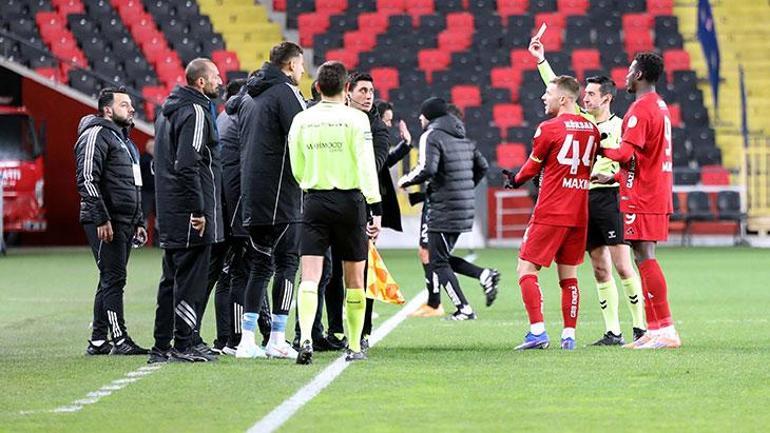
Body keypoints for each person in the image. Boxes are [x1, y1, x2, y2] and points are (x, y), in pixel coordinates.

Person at [528, 38, 646, 345]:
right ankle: (613, 332)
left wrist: (613, 178)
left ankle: (641, 327)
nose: (586, 99)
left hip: (609, 199)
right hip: (581, 199)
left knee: (622, 264)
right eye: (585, 95)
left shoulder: (621, 126)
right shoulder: (579, 121)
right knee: (598, 267)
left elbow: (633, 163)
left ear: (606, 98)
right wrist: (541, 59)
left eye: (592, 94)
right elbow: (558, 90)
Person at [290, 61, 382, 364]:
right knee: (354, 279)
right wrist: (375, 206)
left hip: (314, 201)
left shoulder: (301, 119)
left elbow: (296, 166)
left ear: (317, 88)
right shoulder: (356, 120)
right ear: (346, 89)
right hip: (350, 203)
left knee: (310, 276)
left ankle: (304, 339)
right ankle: (354, 346)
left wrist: (310, 183)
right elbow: (367, 165)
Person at [505, 75, 600, 351]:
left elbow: (531, 168)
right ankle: (569, 336)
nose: (543, 98)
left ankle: (537, 332)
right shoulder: (592, 130)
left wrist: (516, 180)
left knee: (525, 269)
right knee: (568, 277)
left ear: (563, 99)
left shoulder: (549, 128)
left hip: (551, 211)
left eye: (548, 93)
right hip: (579, 212)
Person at [592, 52, 680, 349]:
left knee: (646, 257)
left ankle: (666, 329)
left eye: (630, 71)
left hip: (645, 196)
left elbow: (624, 155)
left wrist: (596, 146)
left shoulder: (640, 109)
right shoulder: (659, 106)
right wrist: (613, 178)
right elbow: (643, 160)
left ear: (640, 75)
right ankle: (654, 330)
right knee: (643, 258)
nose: (626, 76)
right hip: (651, 189)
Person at [149, 58, 224, 363]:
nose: (221, 81)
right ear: (201, 82)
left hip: (169, 206)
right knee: (191, 277)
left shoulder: (167, 111)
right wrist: (199, 209)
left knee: (171, 277)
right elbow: (188, 163)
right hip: (188, 209)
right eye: (216, 76)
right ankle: (184, 342)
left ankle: (163, 342)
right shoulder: (194, 111)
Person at [236, 41, 307, 360]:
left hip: (252, 196)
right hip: (283, 195)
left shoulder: (248, 96)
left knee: (259, 267)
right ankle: (277, 337)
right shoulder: (286, 93)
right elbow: (304, 135)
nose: (304, 71)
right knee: (287, 265)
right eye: (302, 65)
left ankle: (246, 340)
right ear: (291, 65)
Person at [398, 97, 489, 321]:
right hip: (462, 208)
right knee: (441, 257)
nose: (420, 118)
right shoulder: (461, 136)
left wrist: (405, 181)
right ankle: (481, 277)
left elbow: (428, 168)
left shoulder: (432, 135)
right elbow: (482, 166)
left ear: (429, 116)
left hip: (443, 208)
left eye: (422, 114)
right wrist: (463, 190)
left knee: (436, 260)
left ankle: (462, 308)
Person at [75, 87, 148, 356]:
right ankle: (119, 339)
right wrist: (101, 217)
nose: (131, 109)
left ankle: (97, 341)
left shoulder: (126, 142)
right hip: (107, 221)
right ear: (107, 110)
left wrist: (139, 220)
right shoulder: (95, 134)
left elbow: (135, 186)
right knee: (114, 278)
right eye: (124, 105)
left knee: (108, 278)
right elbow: (86, 178)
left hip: (125, 220)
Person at [217, 78, 272, 354]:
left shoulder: (225, 117)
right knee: (246, 271)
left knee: (236, 273)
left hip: (228, 205)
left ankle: (230, 337)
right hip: (240, 206)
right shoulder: (241, 118)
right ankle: (237, 339)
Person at [139, 138, 157, 246]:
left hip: (157, 192)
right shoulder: (143, 159)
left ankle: (158, 241)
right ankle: (141, 240)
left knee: (159, 217)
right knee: (143, 217)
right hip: (146, 192)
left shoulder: (159, 159)